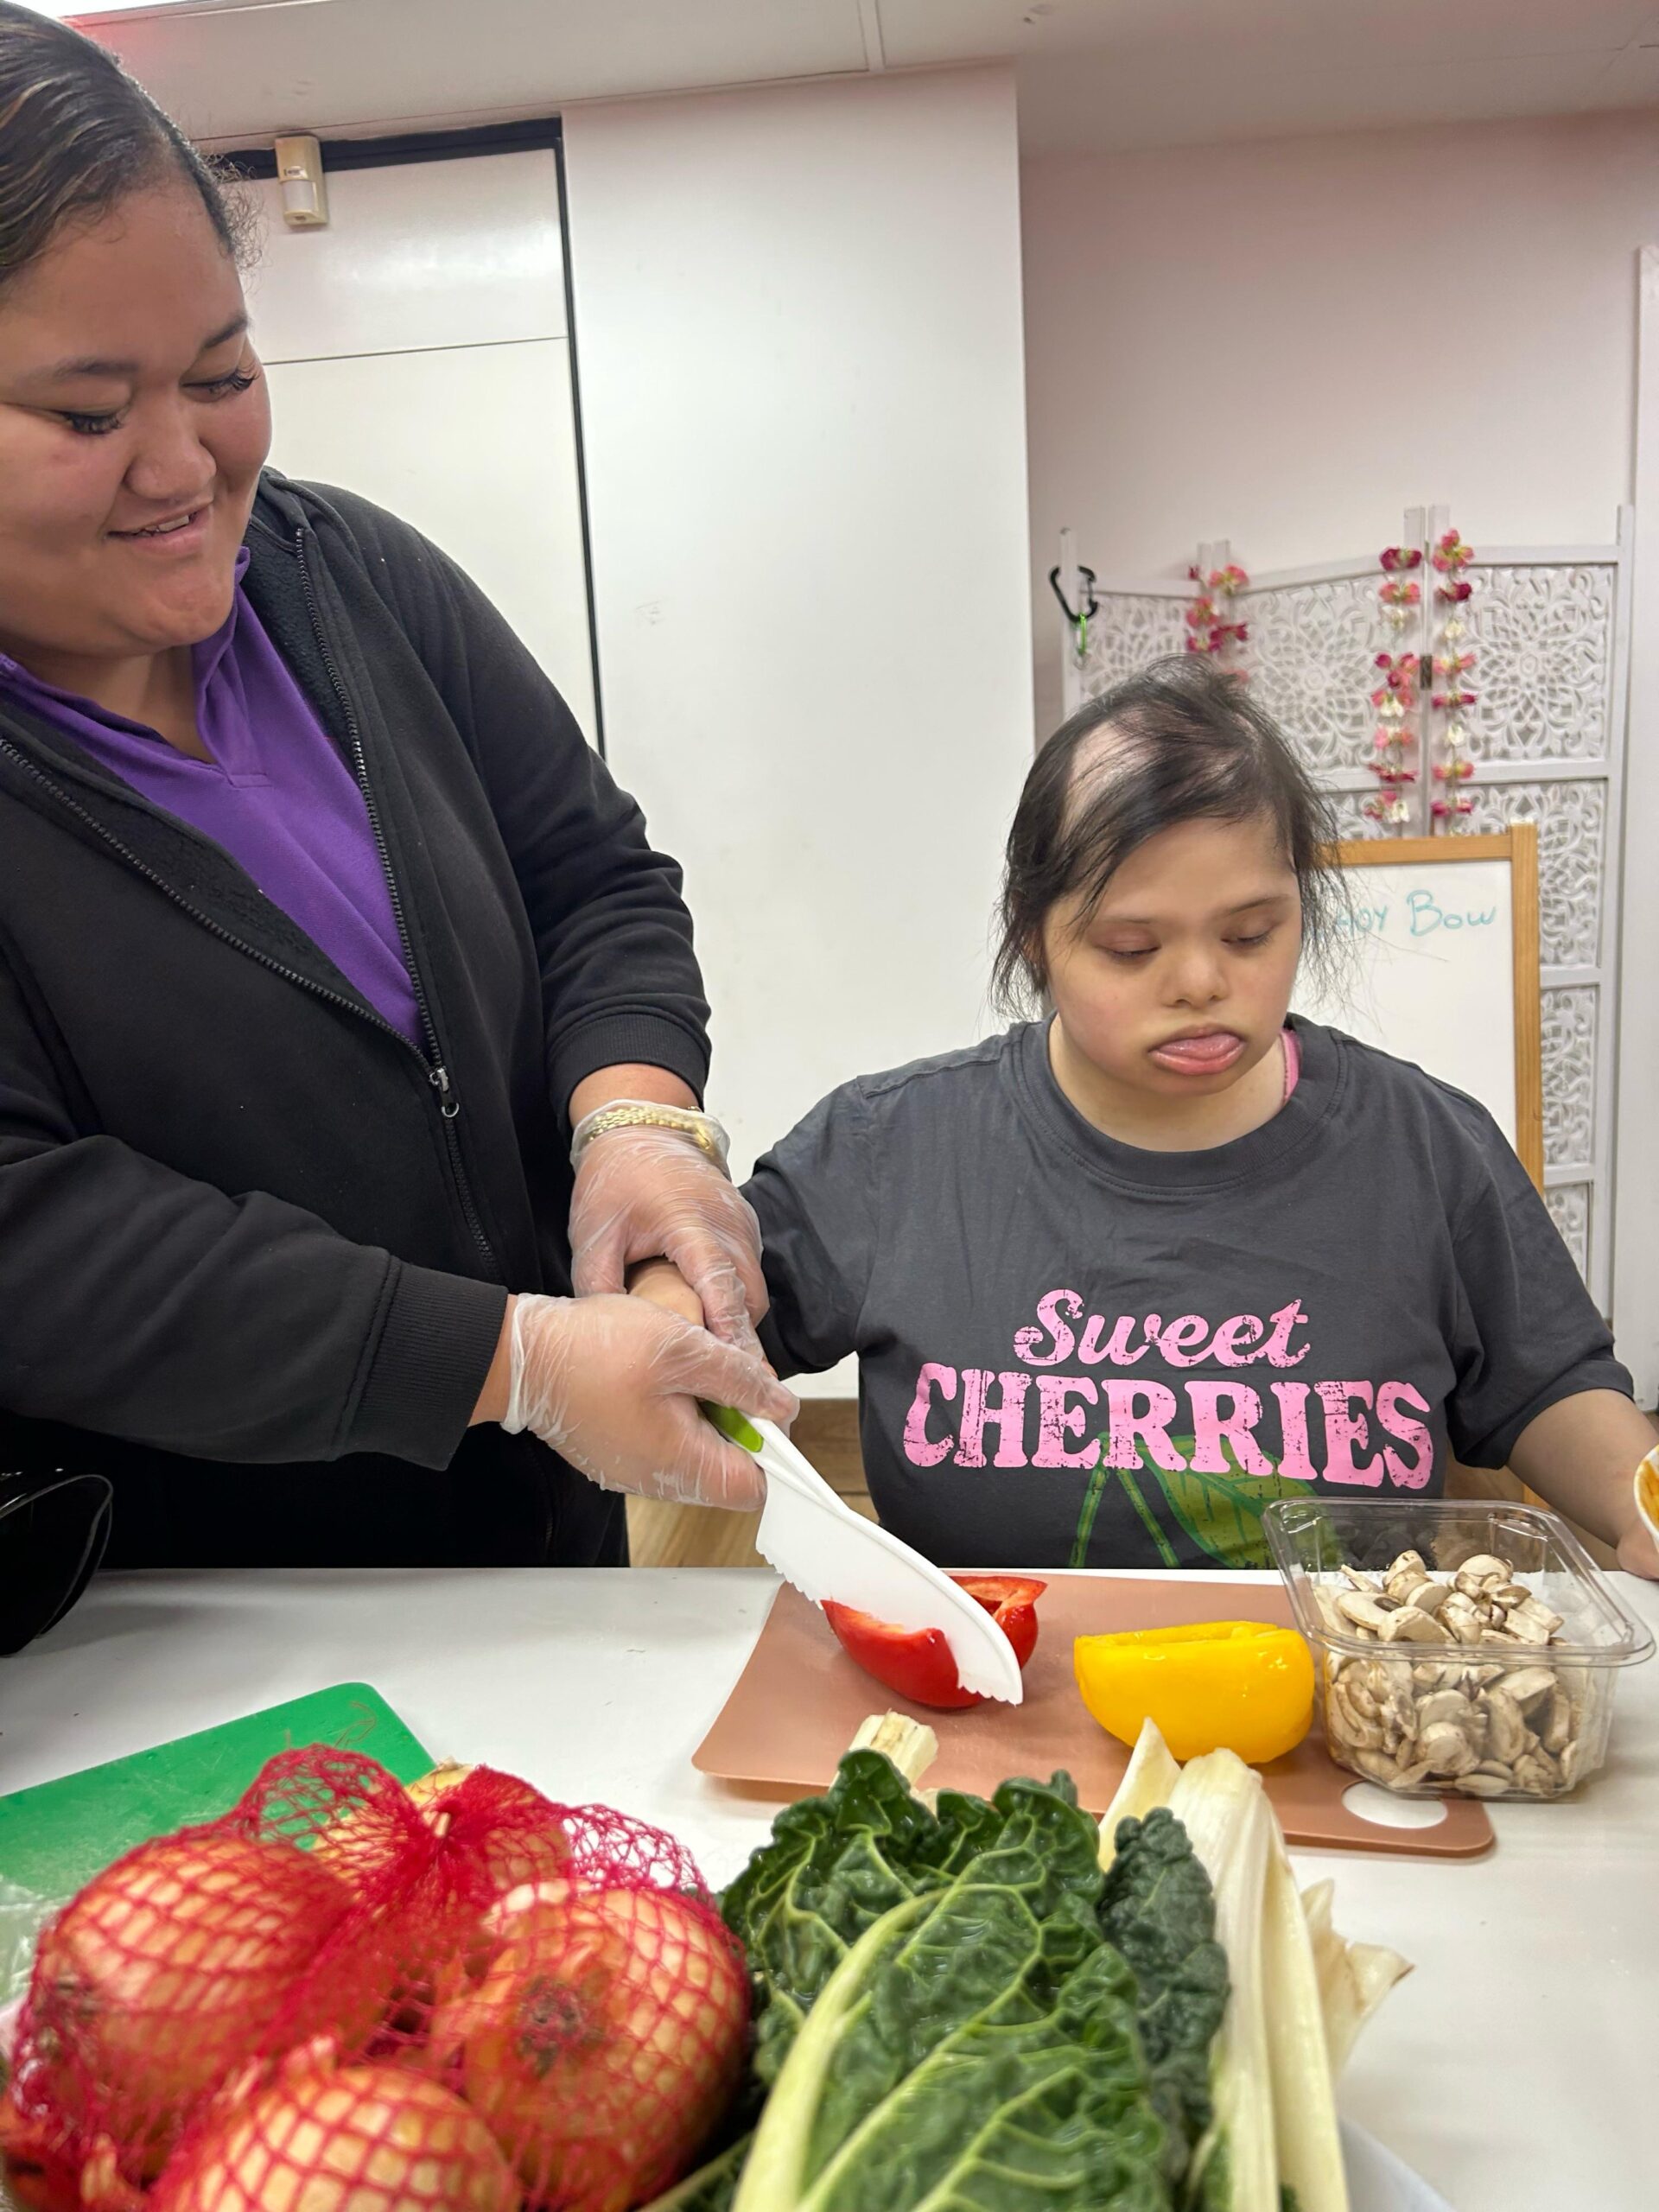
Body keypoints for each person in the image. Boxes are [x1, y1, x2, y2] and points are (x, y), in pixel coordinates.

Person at [0, 5, 792, 1572]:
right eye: (88, 416)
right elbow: (31, 1238)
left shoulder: (344, 573)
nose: (183, 469)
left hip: (523, 1532)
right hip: (185, 1618)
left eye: (222, 374)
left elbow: (594, 880)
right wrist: (509, 1362)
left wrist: (637, 1123)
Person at [637, 658, 1659, 1577]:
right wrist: (647, 1298)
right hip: (993, 1716)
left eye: (1253, 933)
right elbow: (697, 1318)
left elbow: (1546, 1386)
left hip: (1345, 1728)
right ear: (1034, 940)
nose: (1203, 982)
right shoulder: (891, 1149)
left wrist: (1637, 1505)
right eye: (1132, 947)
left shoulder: (1425, 1147)